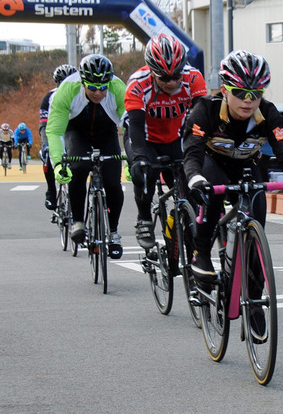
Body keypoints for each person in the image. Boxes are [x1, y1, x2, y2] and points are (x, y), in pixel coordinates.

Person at [182, 50, 283, 283]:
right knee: (212, 190)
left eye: (256, 93)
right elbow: (192, 152)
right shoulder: (206, 110)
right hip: (212, 162)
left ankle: (255, 298)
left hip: (247, 165)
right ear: (224, 90)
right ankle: (200, 253)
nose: (248, 100)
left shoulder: (269, 113)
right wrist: (195, 178)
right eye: (240, 93)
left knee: (257, 217)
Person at [123, 34, 207, 250]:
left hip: (176, 137)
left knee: (190, 188)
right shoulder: (138, 84)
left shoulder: (193, 78)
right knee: (144, 172)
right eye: (164, 77)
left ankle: (185, 236)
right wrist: (139, 158)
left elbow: (202, 122)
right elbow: (135, 127)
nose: (172, 82)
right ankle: (144, 219)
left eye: (176, 76)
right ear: (152, 72)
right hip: (145, 137)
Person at [46, 54, 127, 259]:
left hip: (106, 133)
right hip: (77, 132)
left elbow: (131, 127)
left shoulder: (118, 89)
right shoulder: (67, 90)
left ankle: (114, 232)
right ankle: (78, 221)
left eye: (102, 88)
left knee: (113, 183)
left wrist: (132, 159)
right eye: (92, 87)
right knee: (78, 169)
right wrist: (57, 164)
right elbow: (55, 132)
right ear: (82, 82)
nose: (98, 93)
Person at [39, 64, 78, 210]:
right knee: (48, 153)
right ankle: (51, 190)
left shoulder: (80, 95)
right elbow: (44, 125)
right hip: (55, 129)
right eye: (62, 82)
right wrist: (45, 144)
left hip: (73, 131)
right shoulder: (49, 97)